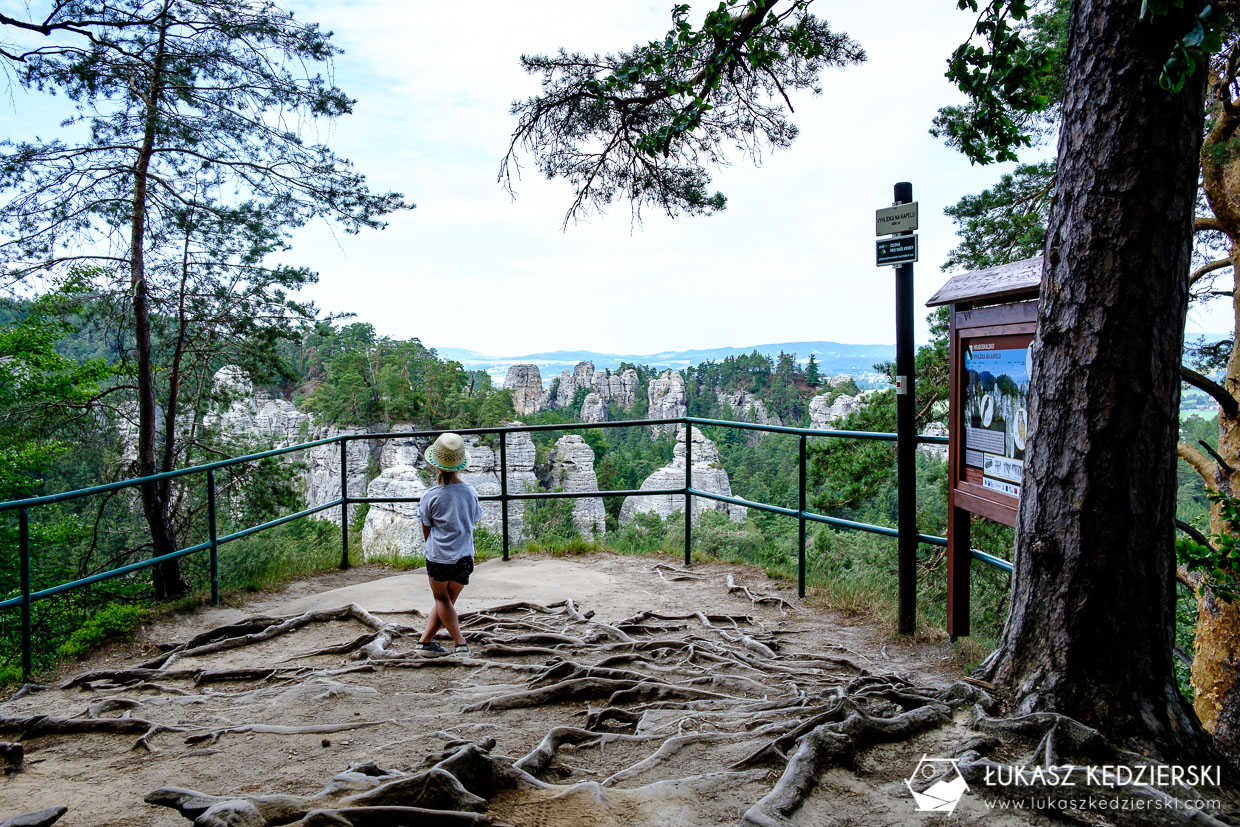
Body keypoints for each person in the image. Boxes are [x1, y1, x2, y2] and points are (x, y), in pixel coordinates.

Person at [415, 432, 483, 657]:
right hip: (464, 554)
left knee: (442, 600)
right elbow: (473, 518)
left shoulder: (430, 496)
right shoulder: (470, 492)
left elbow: (426, 525)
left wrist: (432, 544)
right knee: (448, 601)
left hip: (438, 556)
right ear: (461, 464)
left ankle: (459, 643)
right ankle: (425, 642)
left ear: (435, 465)